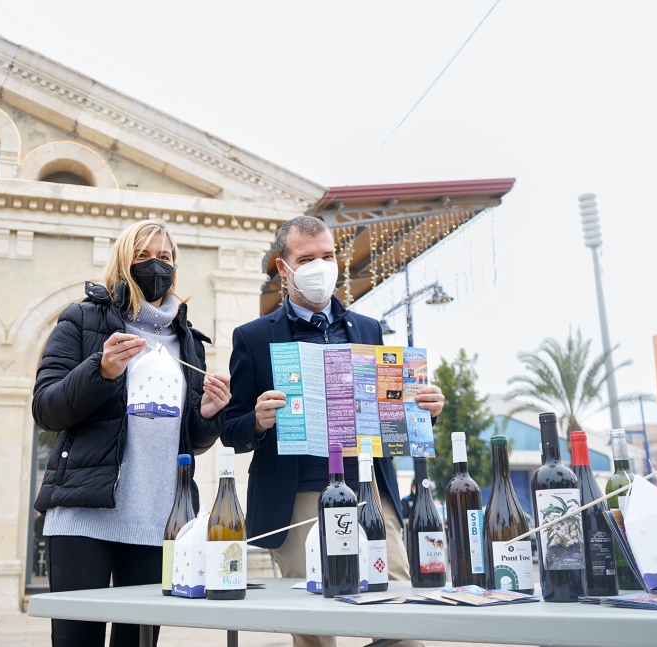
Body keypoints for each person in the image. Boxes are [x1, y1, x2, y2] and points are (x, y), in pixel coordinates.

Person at [222, 216, 445, 647]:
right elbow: (232, 430)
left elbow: (389, 413)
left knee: (399, 615)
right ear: (282, 267)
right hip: (297, 498)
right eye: (307, 258)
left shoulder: (367, 329)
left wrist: (424, 412)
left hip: (368, 492)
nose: (320, 266)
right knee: (313, 628)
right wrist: (257, 420)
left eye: (327, 255)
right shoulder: (252, 337)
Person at [32, 219, 231, 647]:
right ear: (123, 261)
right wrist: (99, 371)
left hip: (159, 521)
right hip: (83, 516)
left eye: (165, 257)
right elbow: (46, 409)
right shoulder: (83, 319)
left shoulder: (188, 341)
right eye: (143, 255)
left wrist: (208, 415)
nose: (155, 264)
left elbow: (189, 441)